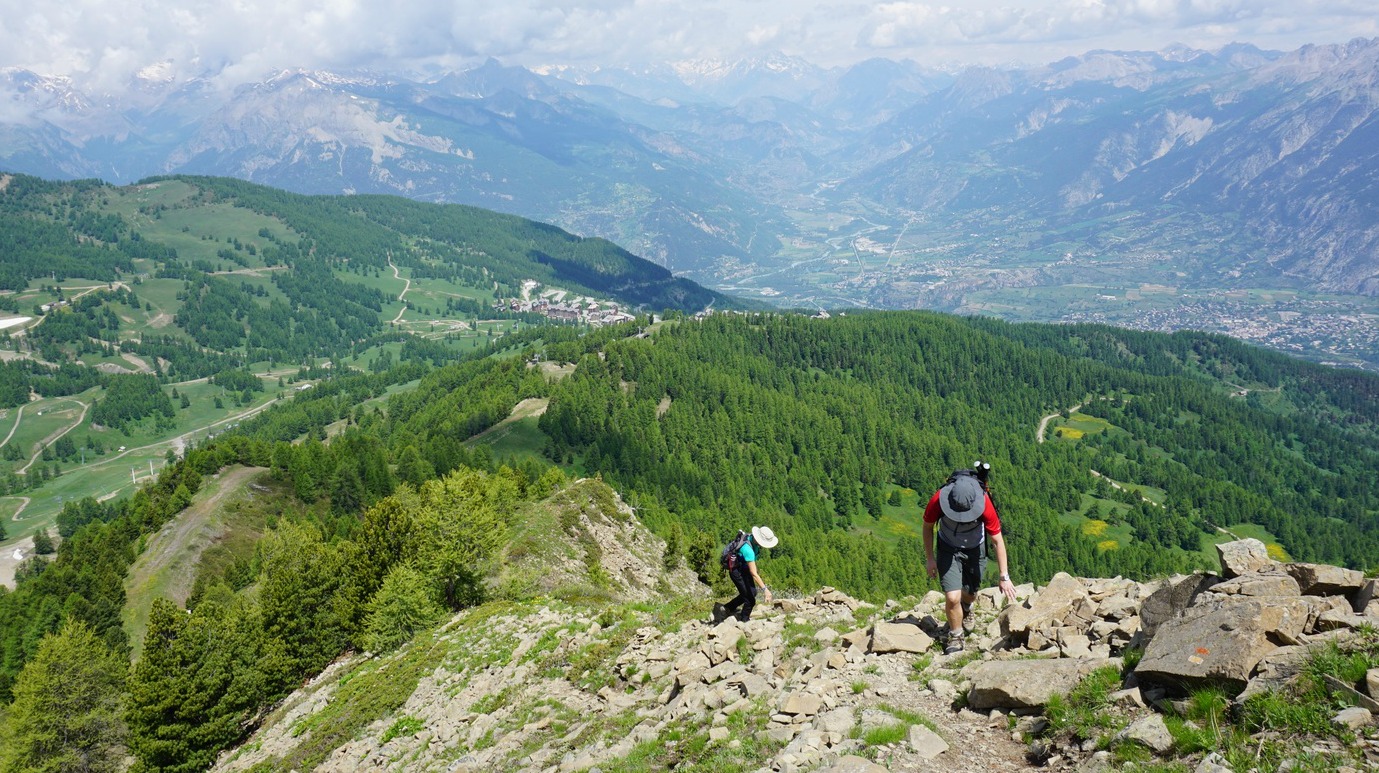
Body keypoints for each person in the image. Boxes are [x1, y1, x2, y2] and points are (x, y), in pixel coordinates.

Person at [923, 465, 1017, 654]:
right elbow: (927, 526)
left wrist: (1004, 576)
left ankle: (967, 606)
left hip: (975, 548)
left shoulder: (984, 503)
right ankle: (956, 636)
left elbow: (997, 541)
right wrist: (930, 559)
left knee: (970, 592)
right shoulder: (938, 500)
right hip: (948, 548)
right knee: (952, 596)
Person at [713, 526, 778, 623]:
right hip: (736, 571)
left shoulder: (750, 538)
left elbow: (751, 568)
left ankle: (728, 607)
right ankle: (744, 621)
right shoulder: (748, 550)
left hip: (743, 568)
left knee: (753, 593)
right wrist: (765, 590)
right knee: (750, 600)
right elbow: (754, 573)